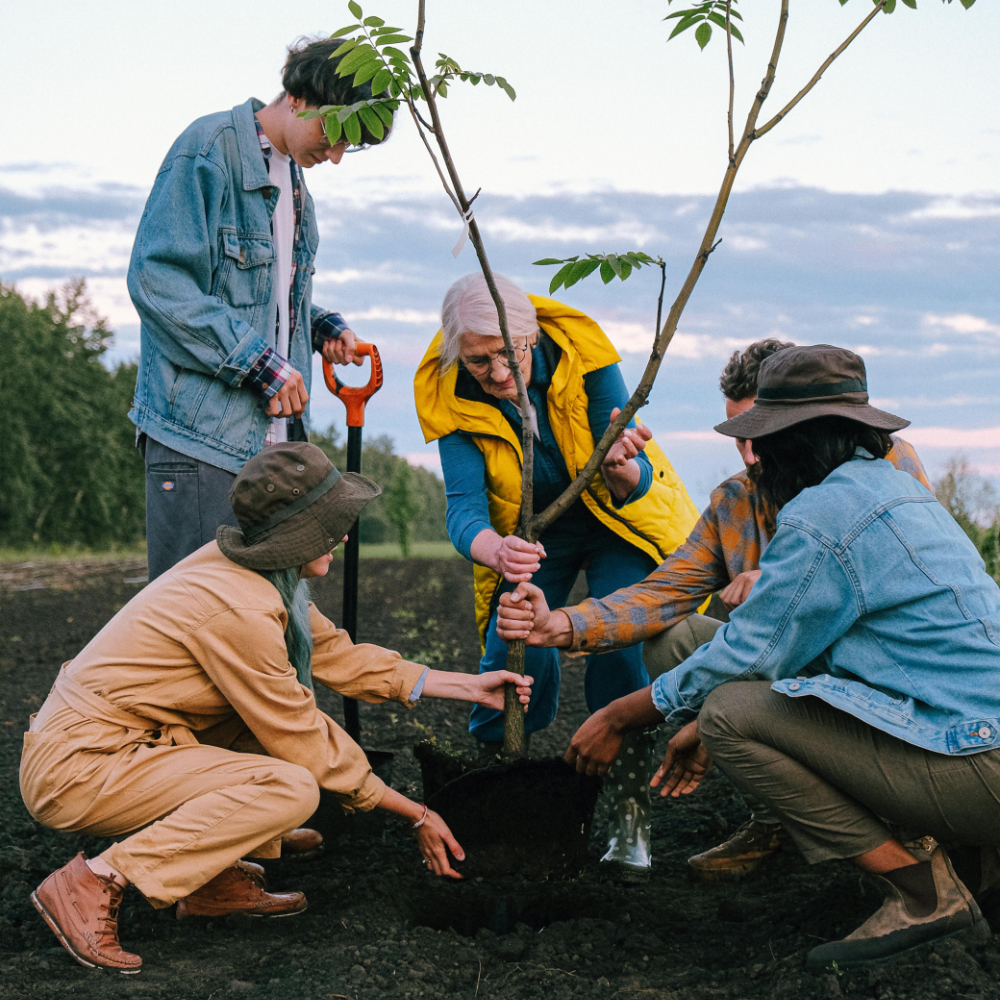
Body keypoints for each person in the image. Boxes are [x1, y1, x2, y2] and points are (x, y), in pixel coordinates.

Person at [560, 345, 1000, 971]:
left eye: (765, 440)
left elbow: (751, 653)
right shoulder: (898, 492)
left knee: (732, 715)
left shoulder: (824, 513)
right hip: (974, 734)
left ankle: (924, 892)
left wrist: (624, 715)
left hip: (980, 761)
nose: (757, 457)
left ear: (799, 442)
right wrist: (572, 627)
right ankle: (973, 861)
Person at [21, 443, 532, 975]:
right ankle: (94, 881)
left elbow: (338, 655)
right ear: (299, 534)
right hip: (78, 765)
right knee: (289, 787)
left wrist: (470, 687)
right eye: (332, 524)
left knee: (254, 738)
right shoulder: (238, 607)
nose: (344, 535)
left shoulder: (263, 576)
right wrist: (416, 813)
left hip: (131, 742)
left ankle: (209, 880)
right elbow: (299, 732)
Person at [497, 338, 932, 881]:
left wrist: (783, 579)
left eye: (762, 434)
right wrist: (560, 623)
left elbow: (901, 578)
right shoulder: (736, 501)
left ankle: (914, 829)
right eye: (740, 437)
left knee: (729, 703)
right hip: (778, 675)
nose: (751, 454)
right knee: (670, 638)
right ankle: (773, 816)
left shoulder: (884, 466)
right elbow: (663, 592)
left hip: (878, 676)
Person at [413, 272, 701, 880]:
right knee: (512, 650)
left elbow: (634, 477)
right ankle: (504, 789)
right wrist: (495, 549)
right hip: (529, 536)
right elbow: (463, 508)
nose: (494, 373)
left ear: (533, 335)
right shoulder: (446, 388)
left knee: (618, 645)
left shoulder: (584, 352)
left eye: (505, 355)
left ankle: (627, 812)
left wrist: (623, 466)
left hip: (614, 520)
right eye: (478, 360)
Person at [128, 36, 379, 585]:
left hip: (273, 444)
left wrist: (320, 326)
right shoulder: (208, 150)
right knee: (196, 619)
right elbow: (159, 281)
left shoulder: (294, 182)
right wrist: (261, 364)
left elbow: (266, 299)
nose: (336, 156)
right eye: (336, 135)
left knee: (267, 618)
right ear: (299, 96)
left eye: (350, 148)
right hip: (200, 439)